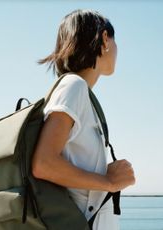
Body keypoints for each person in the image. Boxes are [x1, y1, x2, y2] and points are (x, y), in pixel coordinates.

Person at [32, 9, 135, 230]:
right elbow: (44, 164)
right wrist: (109, 182)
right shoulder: (74, 86)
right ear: (105, 39)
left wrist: (104, 175)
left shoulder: (79, 92)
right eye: (115, 42)